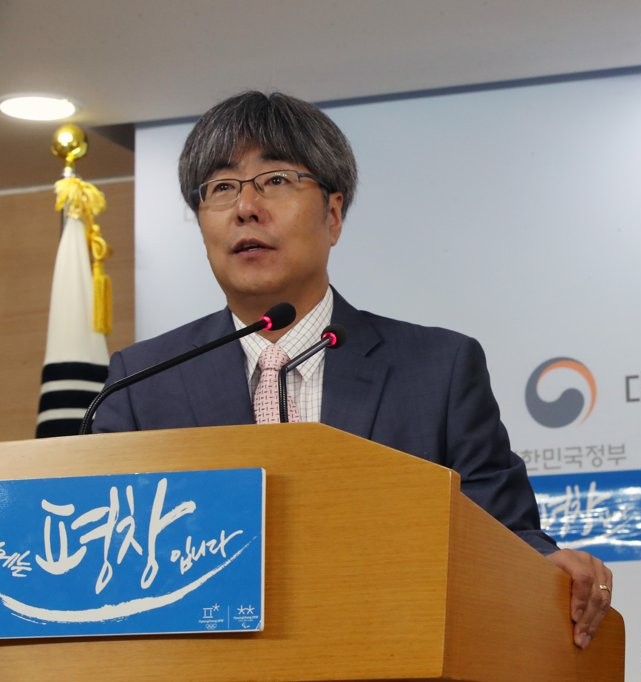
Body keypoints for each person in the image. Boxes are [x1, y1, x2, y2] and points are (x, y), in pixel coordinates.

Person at [92, 91, 613, 649]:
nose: (246, 207)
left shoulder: (438, 370)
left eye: (275, 180)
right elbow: (108, 561)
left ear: (334, 214)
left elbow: (503, 536)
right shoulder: (140, 383)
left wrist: (546, 564)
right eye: (221, 188)